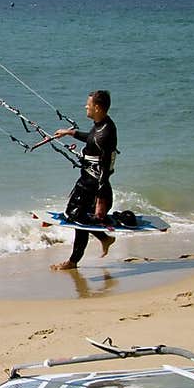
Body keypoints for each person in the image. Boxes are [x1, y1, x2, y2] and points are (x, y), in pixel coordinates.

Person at [50, 90, 118, 271]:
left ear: (97, 107)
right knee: (79, 221)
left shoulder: (104, 135)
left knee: (74, 217)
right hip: (87, 181)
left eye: (88, 104)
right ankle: (82, 255)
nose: (85, 106)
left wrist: (100, 200)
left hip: (93, 186)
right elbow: (90, 137)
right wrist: (70, 132)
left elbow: (104, 170)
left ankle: (80, 256)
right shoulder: (102, 125)